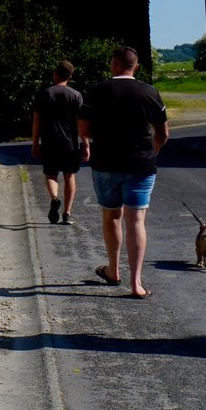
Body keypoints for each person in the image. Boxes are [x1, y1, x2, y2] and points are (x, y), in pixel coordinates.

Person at [78, 45, 168, 297]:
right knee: (136, 220)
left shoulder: (96, 91)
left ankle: (113, 270)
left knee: (111, 217)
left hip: (106, 163)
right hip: (141, 165)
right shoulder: (150, 92)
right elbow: (163, 134)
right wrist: (152, 152)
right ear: (136, 67)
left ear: (113, 64)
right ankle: (136, 283)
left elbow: (83, 130)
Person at [29, 61, 84, 224]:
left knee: (51, 174)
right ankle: (67, 214)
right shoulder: (76, 95)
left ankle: (54, 198)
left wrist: (35, 143)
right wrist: (86, 144)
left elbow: (37, 121)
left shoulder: (44, 94)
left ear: (56, 74)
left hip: (49, 141)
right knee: (69, 176)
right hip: (70, 143)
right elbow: (80, 123)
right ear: (70, 76)